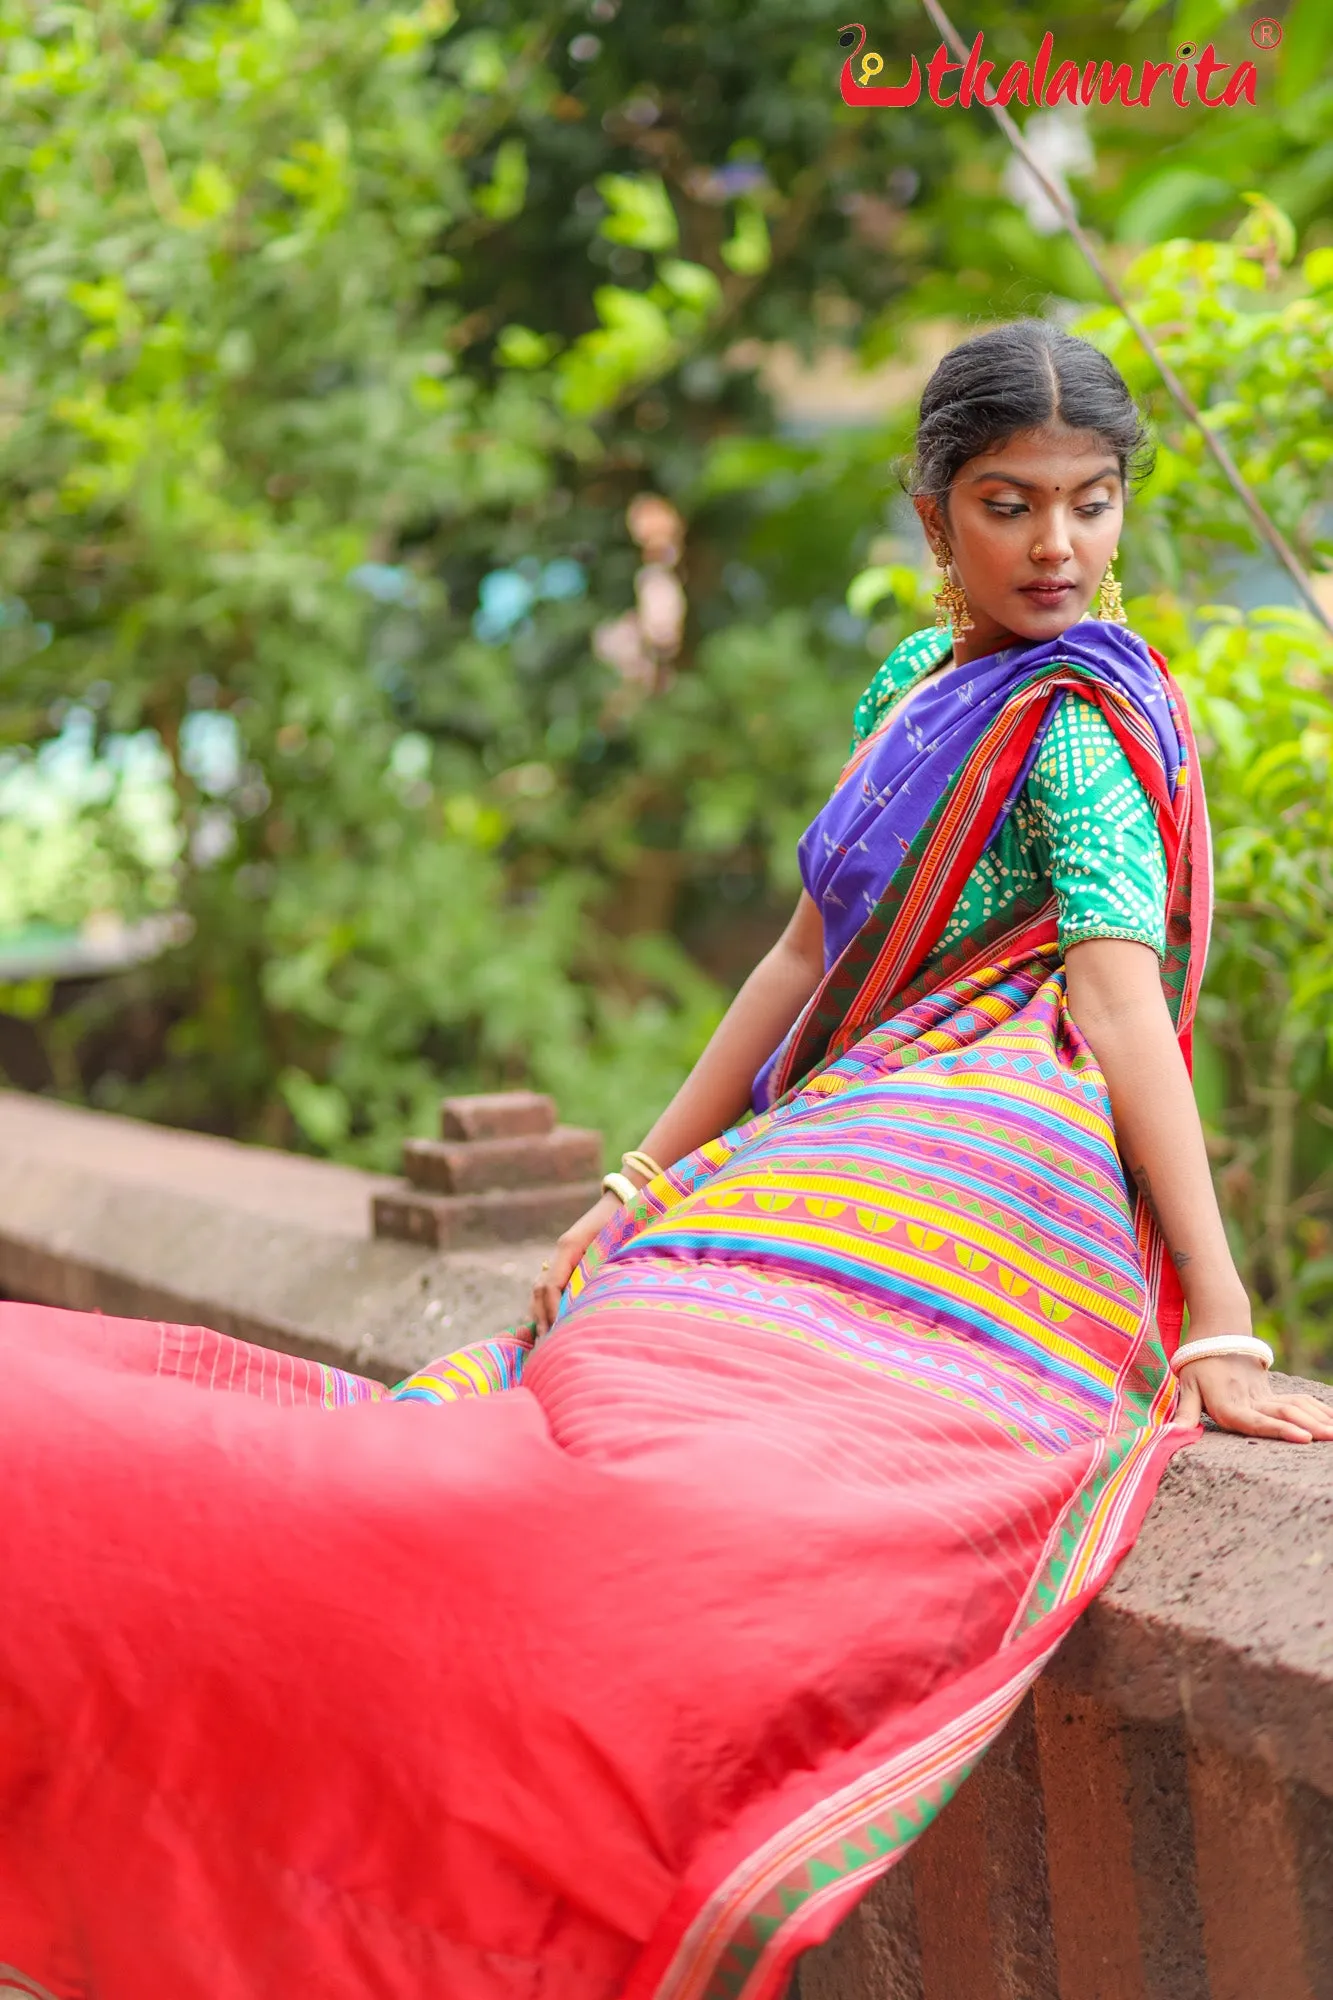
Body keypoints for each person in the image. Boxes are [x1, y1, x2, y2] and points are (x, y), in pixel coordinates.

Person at [0, 322, 1328, 2000]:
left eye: (1092, 500)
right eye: (1010, 504)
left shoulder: (1084, 721)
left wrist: (1213, 1318)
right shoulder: (912, 692)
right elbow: (797, 957)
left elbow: (1122, 1002)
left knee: (679, 1490)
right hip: (856, 1121)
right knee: (588, 1391)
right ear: (935, 519)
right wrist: (642, 1181)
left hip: (1003, 1138)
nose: (1057, 545)